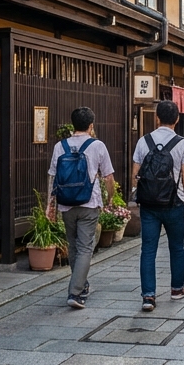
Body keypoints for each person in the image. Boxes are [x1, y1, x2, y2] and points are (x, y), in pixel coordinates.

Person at [46, 107, 116, 310]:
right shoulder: (97, 145)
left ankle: (81, 285)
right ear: (91, 125)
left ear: (73, 124)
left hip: (66, 203)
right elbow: (108, 177)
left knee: (74, 246)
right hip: (89, 203)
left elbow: (52, 176)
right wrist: (110, 197)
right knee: (86, 247)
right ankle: (75, 292)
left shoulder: (61, 146)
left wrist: (49, 206)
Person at [131, 100, 184, 312]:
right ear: (177, 119)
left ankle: (148, 296)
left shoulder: (144, 141)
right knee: (176, 247)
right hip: (174, 203)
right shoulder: (183, 143)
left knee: (148, 249)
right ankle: (177, 289)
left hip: (149, 204)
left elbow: (135, 175)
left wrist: (141, 194)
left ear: (157, 117)